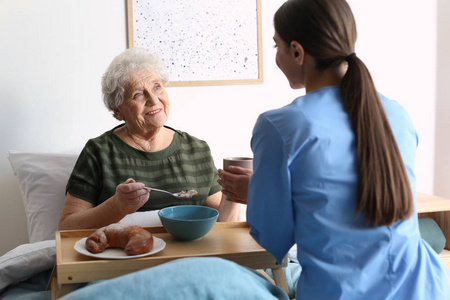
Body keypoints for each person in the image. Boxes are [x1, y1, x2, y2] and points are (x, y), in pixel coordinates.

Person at [218, 0, 450, 299]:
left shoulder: (281, 126)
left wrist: (260, 194)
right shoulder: (396, 113)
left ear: (297, 52)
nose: (277, 56)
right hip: (426, 287)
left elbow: (275, 240)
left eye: (277, 46)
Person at [59, 47, 240, 230]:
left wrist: (234, 190)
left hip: (191, 256)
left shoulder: (197, 150)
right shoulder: (98, 153)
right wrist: (116, 207)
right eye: (138, 94)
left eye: (157, 87)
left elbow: (224, 227)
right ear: (117, 111)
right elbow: (67, 227)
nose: (153, 100)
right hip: (125, 256)